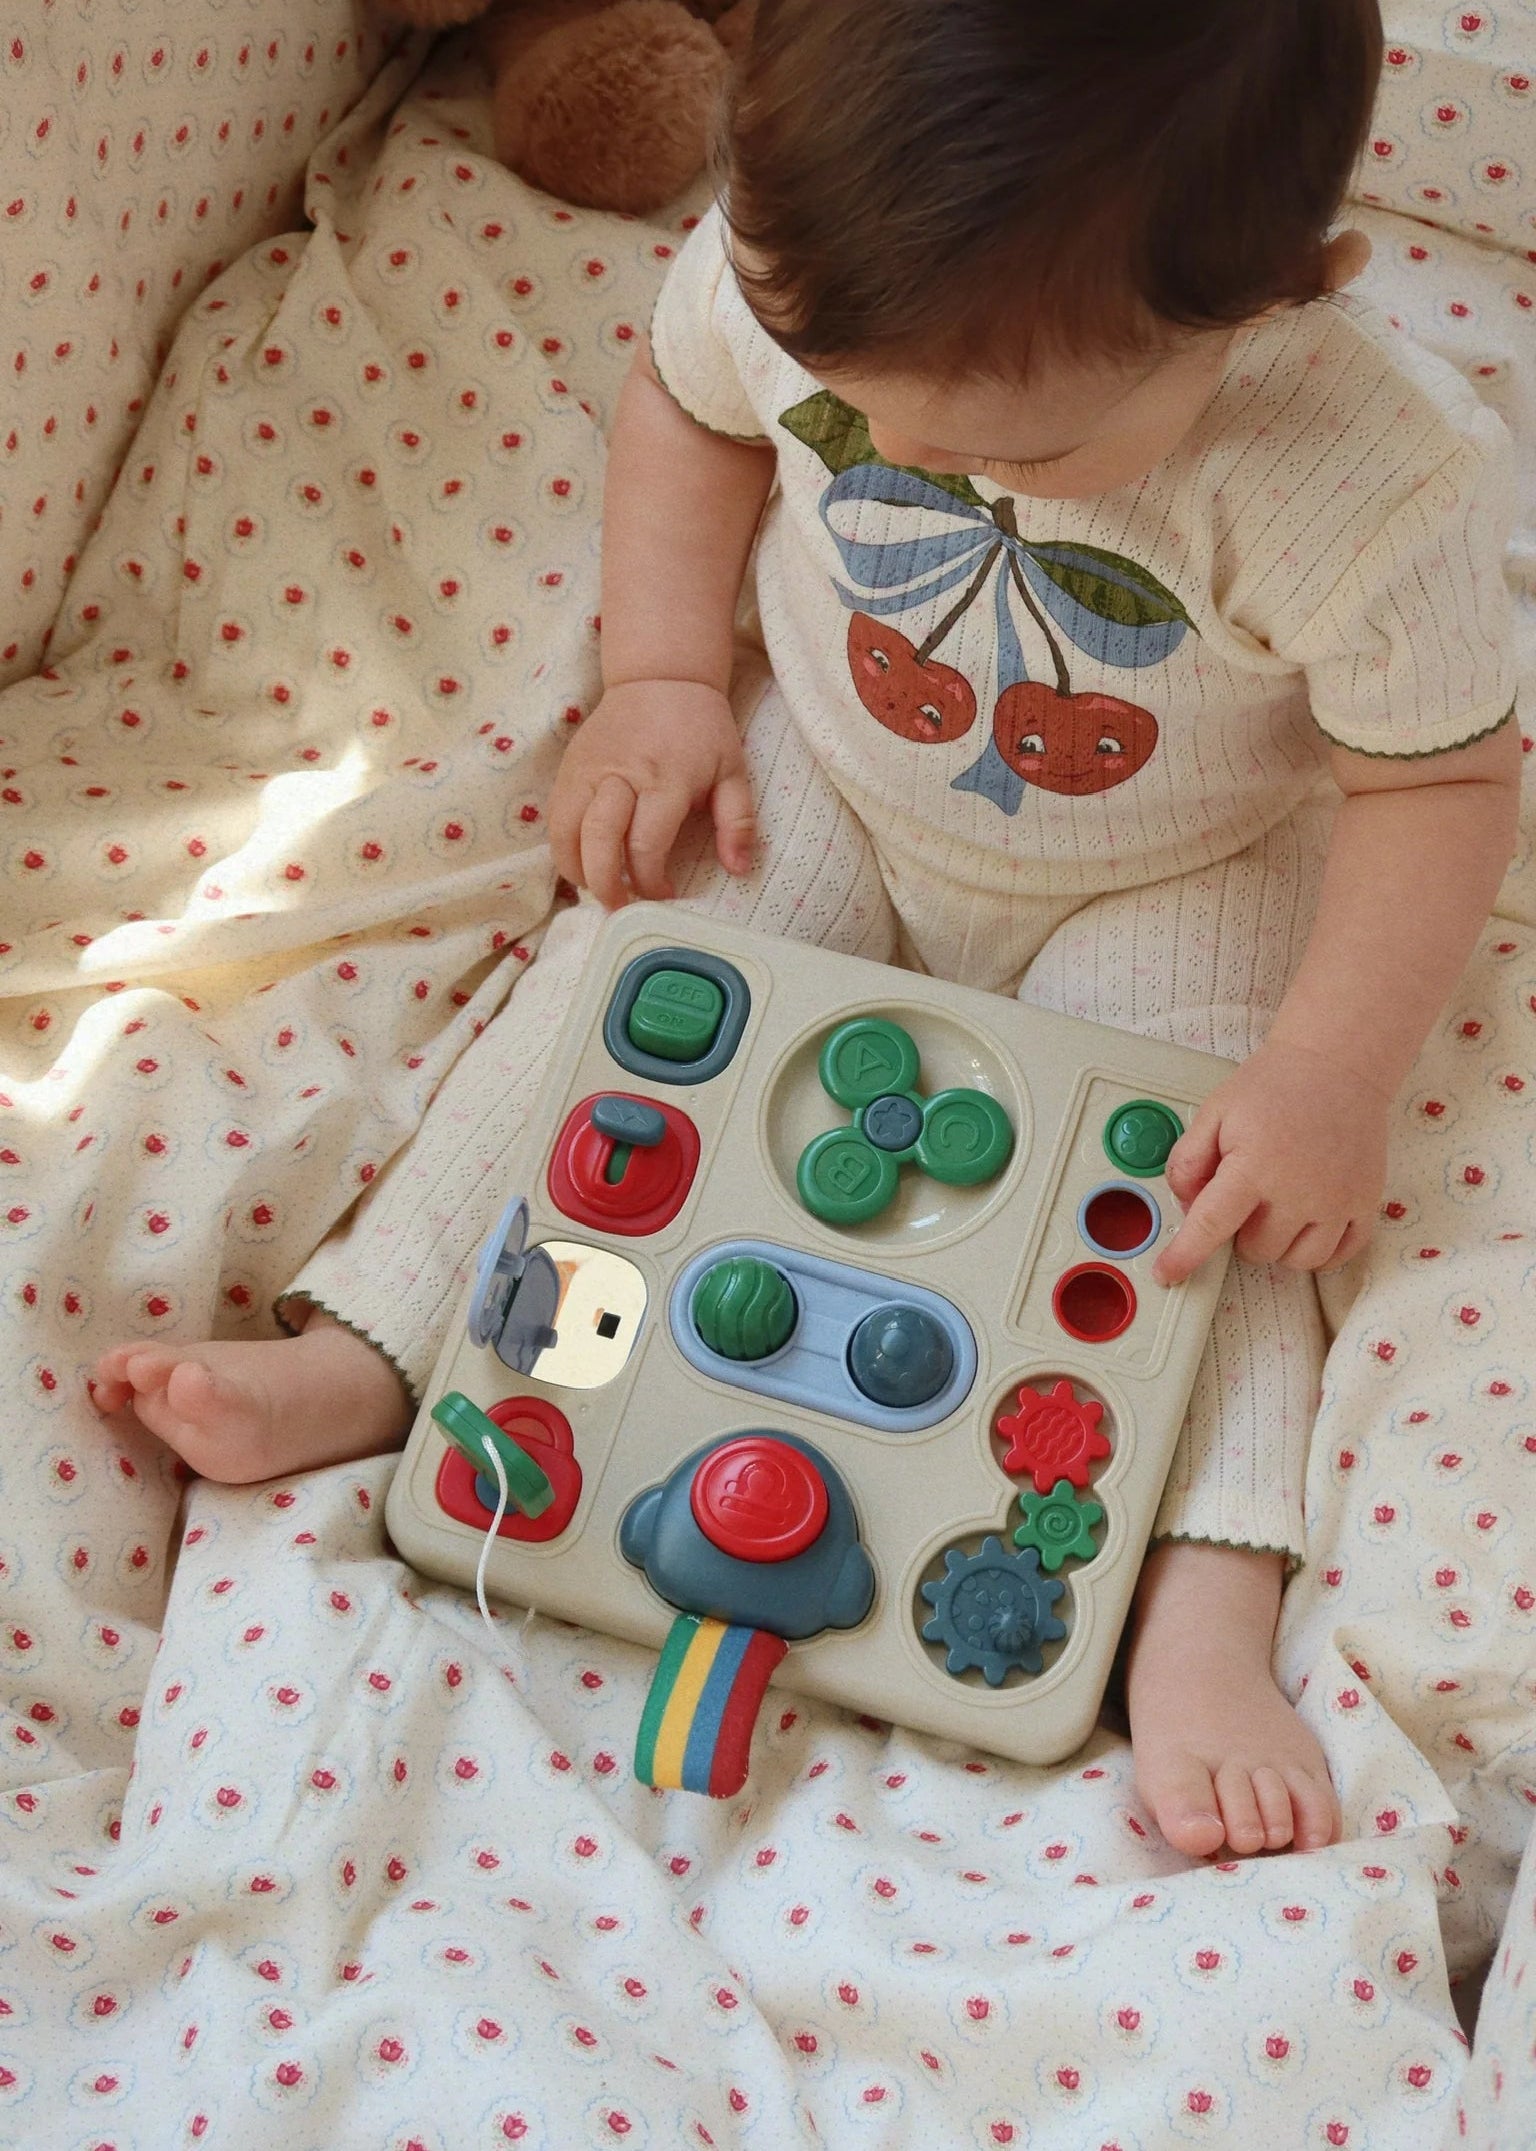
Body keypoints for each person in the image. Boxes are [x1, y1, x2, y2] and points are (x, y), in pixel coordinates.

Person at [90, 0, 1520, 1862]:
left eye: (1029, 448)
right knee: (625, 988)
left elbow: (1439, 784)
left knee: (1212, 1197)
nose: (911, 450)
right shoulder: (793, 255)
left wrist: (1330, 1074)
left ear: (1271, 298)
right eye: (861, 400)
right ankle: (389, 1338)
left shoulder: (1373, 478)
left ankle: (1199, 1602)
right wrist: (666, 679)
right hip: (830, 775)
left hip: (1180, 865)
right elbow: (688, 414)